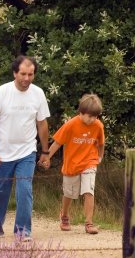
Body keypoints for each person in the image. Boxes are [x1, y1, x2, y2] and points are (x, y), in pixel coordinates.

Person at [0, 55, 50, 241]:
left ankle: (22, 231)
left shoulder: (38, 94)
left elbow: (42, 124)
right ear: (15, 73)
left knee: (24, 189)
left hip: (27, 151)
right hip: (3, 151)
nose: (26, 78)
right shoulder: (2, 92)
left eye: (30, 74)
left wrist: (45, 152)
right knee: (0, 191)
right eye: (23, 74)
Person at [39, 93, 105, 235]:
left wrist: (100, 156)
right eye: (89, 116)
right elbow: (57, 142)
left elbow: (101, 143)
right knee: (69, 193)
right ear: (80, 113)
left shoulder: (98, 125)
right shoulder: (70, 125)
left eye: (95, 116)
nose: (93, 119)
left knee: (89, 191)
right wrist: (47, 157)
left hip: (89, 162)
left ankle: (89, 223)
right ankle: (64, 215)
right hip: (72, 164)